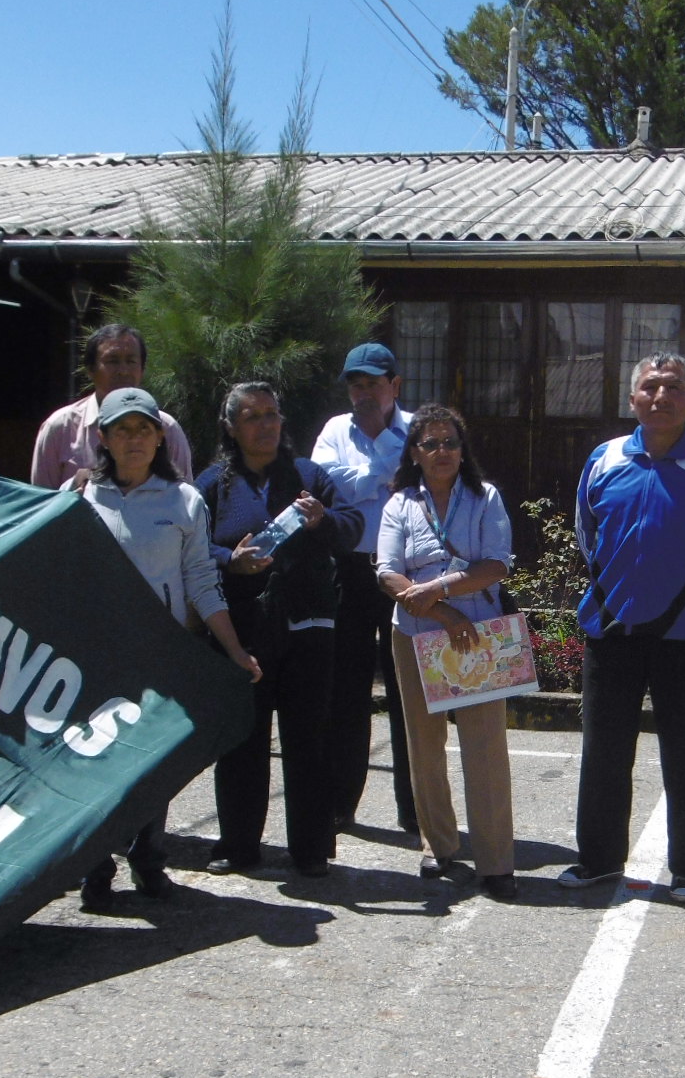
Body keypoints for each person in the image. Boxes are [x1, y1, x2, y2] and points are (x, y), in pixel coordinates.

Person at [559, 351, 685, 903]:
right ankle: (598, 859)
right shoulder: (603, 460)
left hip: (684, 639)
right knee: (603, 750)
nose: (660, 396)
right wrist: (616, 596)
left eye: (673, 387)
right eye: (650, 386)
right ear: (632, 398)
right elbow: (588, 537)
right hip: (611, 633)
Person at [71, 387, 260, 909]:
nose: (133, 439)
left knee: (154, 763)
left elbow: (201, 580)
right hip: (98, 656)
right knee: (98, 763)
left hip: (163, 653)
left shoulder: (183, 501)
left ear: (160, 437)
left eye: (143, 429)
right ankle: (95, 868)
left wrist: (234, 649)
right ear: (104, 438)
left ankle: (149, 860)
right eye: (122, 430)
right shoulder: (81, 496)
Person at [197, 381, 362, 878]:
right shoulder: (213, 484)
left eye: (271, 414)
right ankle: (238, 845)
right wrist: (230, 559)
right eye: (252, 417)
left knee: (308, 739)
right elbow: (192, 547)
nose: (265, 425)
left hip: (308, 626)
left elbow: (353, 527)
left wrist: (322, 520)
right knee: (242, 740)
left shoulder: (309, 476)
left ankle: (310, 849)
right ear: (231, 427)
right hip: (242, 631)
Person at [376, 404, 520, 902]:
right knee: (424, 745)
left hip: (477, 635)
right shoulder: (400, 504)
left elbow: (496, 565)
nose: (442, 451)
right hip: (416, 633)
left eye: (451, 443)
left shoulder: (485, 498)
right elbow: (387, 572)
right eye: (431, 443)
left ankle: (497, 862)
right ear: (414, 453)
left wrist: (438, 590)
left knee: (486, 749)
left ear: (463, 451)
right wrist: (443, 613)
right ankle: (438, 846)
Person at [311, 341, 418, 839]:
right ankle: (339, 802)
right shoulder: (335, 431)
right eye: (356, 385)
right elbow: (328, 489)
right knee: (346, 691)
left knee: (408, 692)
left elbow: (416, 484)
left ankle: (415, 808)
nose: (364, 394)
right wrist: (383, 472)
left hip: (405, 573)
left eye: (373, 384)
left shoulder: (418, 430)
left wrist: (365, 478)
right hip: (349, 571)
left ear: (394, 385)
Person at [29, 323, 194, 489]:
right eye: (112, 361)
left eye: (131, 361)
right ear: (90, 370)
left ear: (142, 369)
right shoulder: (60, 427)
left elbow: (184, 495)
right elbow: (42, 499)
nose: (123, 371)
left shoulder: (166, 428)